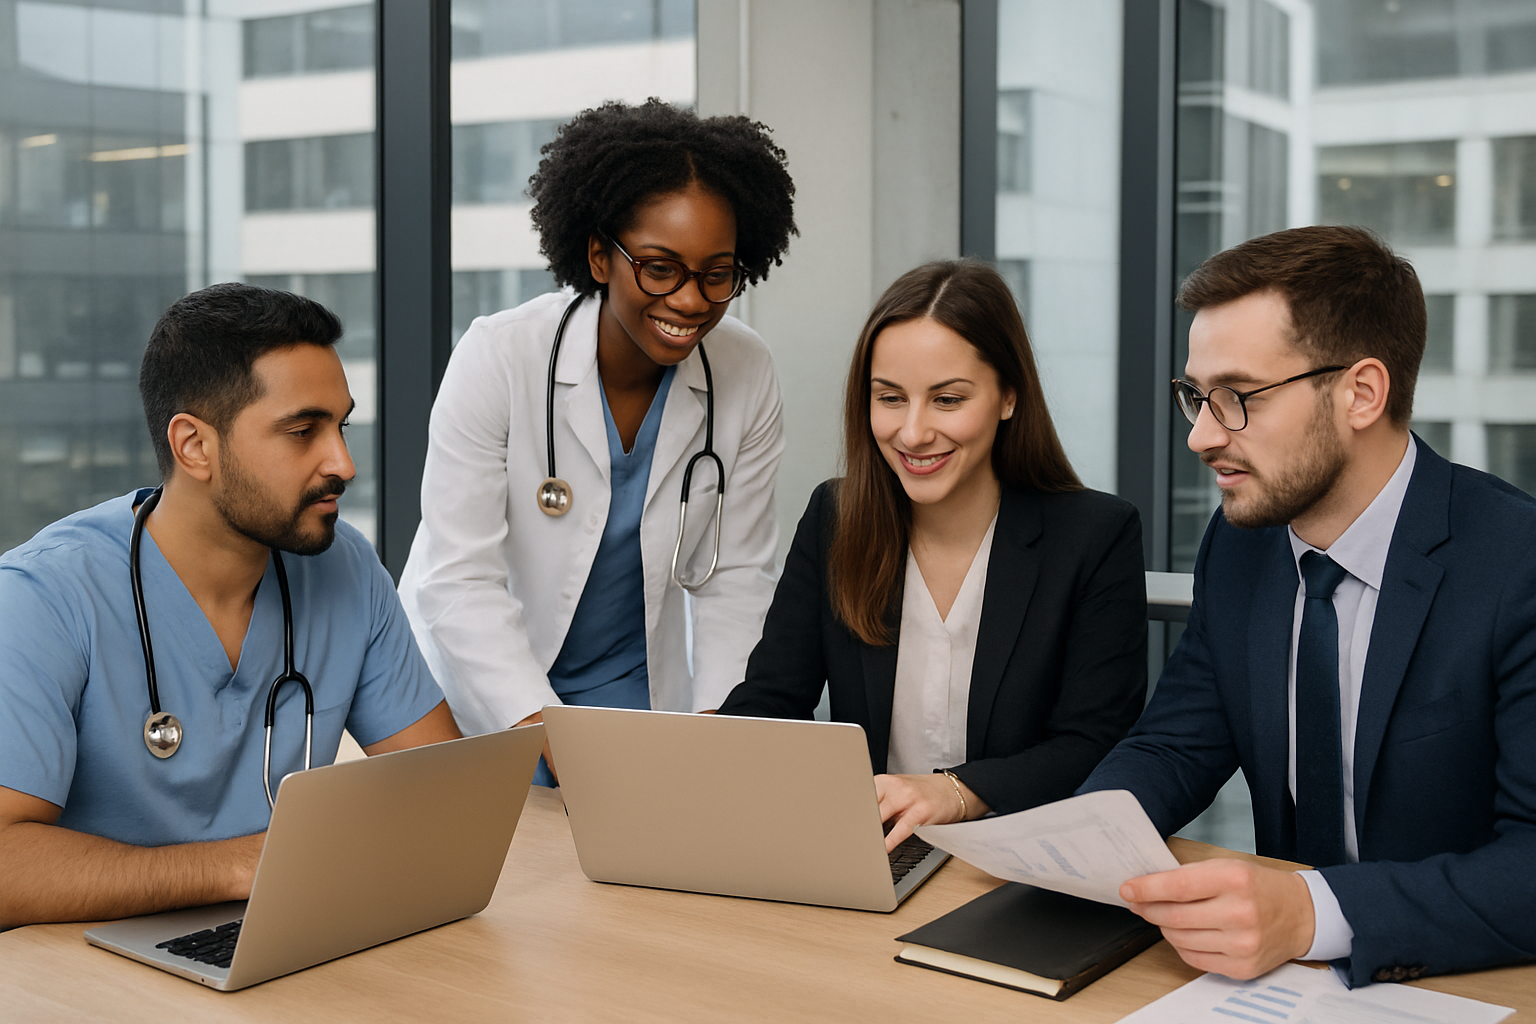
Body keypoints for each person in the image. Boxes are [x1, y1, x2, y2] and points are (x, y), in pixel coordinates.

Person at [1079, 225, 1536, 986]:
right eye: (1196, 396)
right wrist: (1070, 845)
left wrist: (1309, 912)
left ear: (1361, 393)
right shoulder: (1240, 546)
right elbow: (1176, 744)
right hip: (1273, 987)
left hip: (1464, 981)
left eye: (1236, 398)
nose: (1199, 435)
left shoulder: (1515, 564)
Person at [0, 283, 459, 930]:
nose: (344, 464)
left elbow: (446, 799)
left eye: (341, 425)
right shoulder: (40, 599)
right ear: (194, 447)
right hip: (90, 972)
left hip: (279, 936)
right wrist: (239, 866)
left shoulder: (344, 567)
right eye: (303, 431)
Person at [397, 99, 796, 784]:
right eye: (659, 267)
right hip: (485, 687)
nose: (691, 300)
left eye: (717, 273)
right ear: (598, 256)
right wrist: (546, 733)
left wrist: (721, 737)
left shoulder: (745, 369)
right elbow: (458, 581)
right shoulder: (500, 357)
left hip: (628, 690)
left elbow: (736, 581)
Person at [718, 260, 1148, 850]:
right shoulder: (835, 517)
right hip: (872, 849)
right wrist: (692, 769)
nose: (913, 433)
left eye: (947, 400)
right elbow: (772, 699)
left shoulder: (1095, 534)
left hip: (1020, 860)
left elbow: (1094, 741)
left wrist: (956, 791)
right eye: (890, 398)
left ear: (1008, 396)